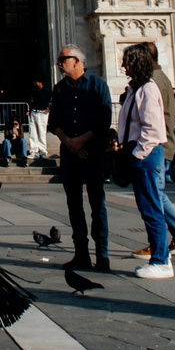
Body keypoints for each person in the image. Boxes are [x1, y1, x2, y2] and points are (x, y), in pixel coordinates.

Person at [48, 47, 114, 271]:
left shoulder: (98, 86)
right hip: (70, 154)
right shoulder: (59, 89)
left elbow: (104, 121)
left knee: (98, 205)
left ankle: (102, 256)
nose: (58, 63)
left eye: (62, 59)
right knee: (74, 205)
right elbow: (53, 122)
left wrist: (81, 141)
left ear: (76, 61)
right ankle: (81, 254)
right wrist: (70, 143)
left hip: (93, 153)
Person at [114, 45, 175, 279]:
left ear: (137, 62)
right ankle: (161, 255)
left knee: (151, 208)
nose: (122, 65)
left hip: (146, 154)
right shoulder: (134, 89)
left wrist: (138, 154)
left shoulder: (148, 89)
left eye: (127, 61)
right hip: (138, 152)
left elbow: (152, 128)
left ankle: (160, 260)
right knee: (147, 207)